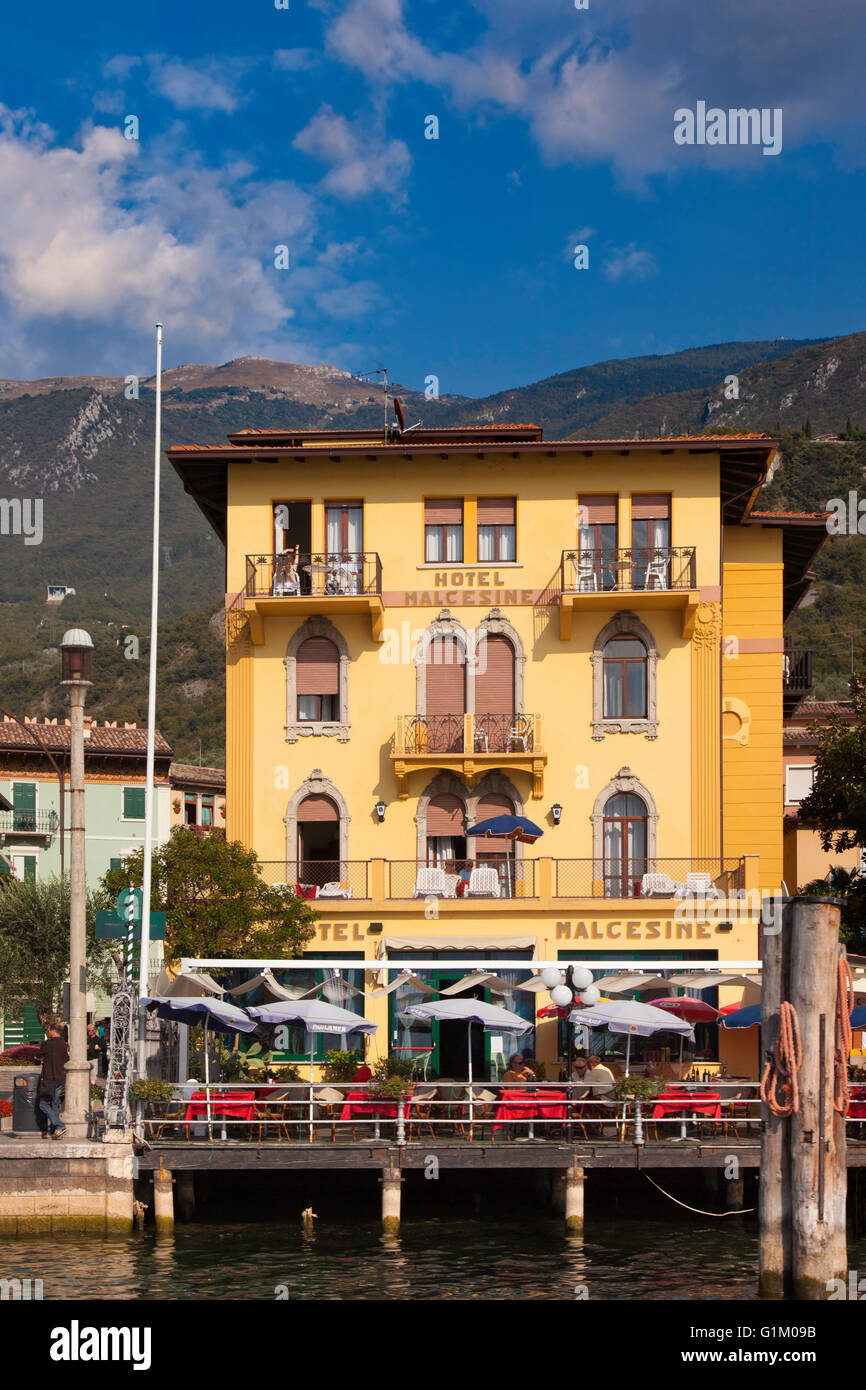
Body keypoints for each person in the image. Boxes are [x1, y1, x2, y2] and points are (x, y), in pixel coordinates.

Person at [38, 1020, 69, 1139]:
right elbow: (66, 1058)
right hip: (60, 1077)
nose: (47, 1032)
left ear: (52, 1030)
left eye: (48, 1030)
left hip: (49, 1078)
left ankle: (60, 1125)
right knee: (55, 1104)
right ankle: (53, 1132)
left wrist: (41, 1059)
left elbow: (39, 1054)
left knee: (43, 1104)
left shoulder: (48, 1043)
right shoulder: (63, 1044)